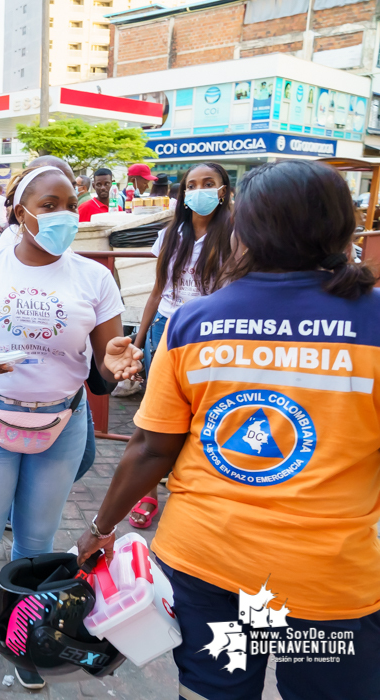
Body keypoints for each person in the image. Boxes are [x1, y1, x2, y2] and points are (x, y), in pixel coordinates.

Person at [76, 159, 380, 700]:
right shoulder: (373, 322)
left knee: (215, 692)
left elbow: (150, 447)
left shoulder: (196, 322)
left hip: (206, 566)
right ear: (341, 226)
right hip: (327, 582)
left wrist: (101, 527)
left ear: (245, 229)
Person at [0, 165, 142, 698]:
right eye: (49, 204)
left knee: (34, 544)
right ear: (19, 211)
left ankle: (21, 636)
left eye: (69, 203)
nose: (63, 215)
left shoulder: (93, 277)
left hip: (61, 423)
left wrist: (116, 363)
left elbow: (104, 358)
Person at [128, 162, 233, 529]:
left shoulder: (235, 236)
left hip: (211, 336)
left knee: (204, 418)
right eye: (192, 184)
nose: (199, 190)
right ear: (182, 193)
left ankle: (194, 494)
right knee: (154, 418)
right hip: (165, 331)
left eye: (209, 183)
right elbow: (158, 290)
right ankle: (146, 495)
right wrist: (139, 341)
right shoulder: (171, 234)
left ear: (223, 190)